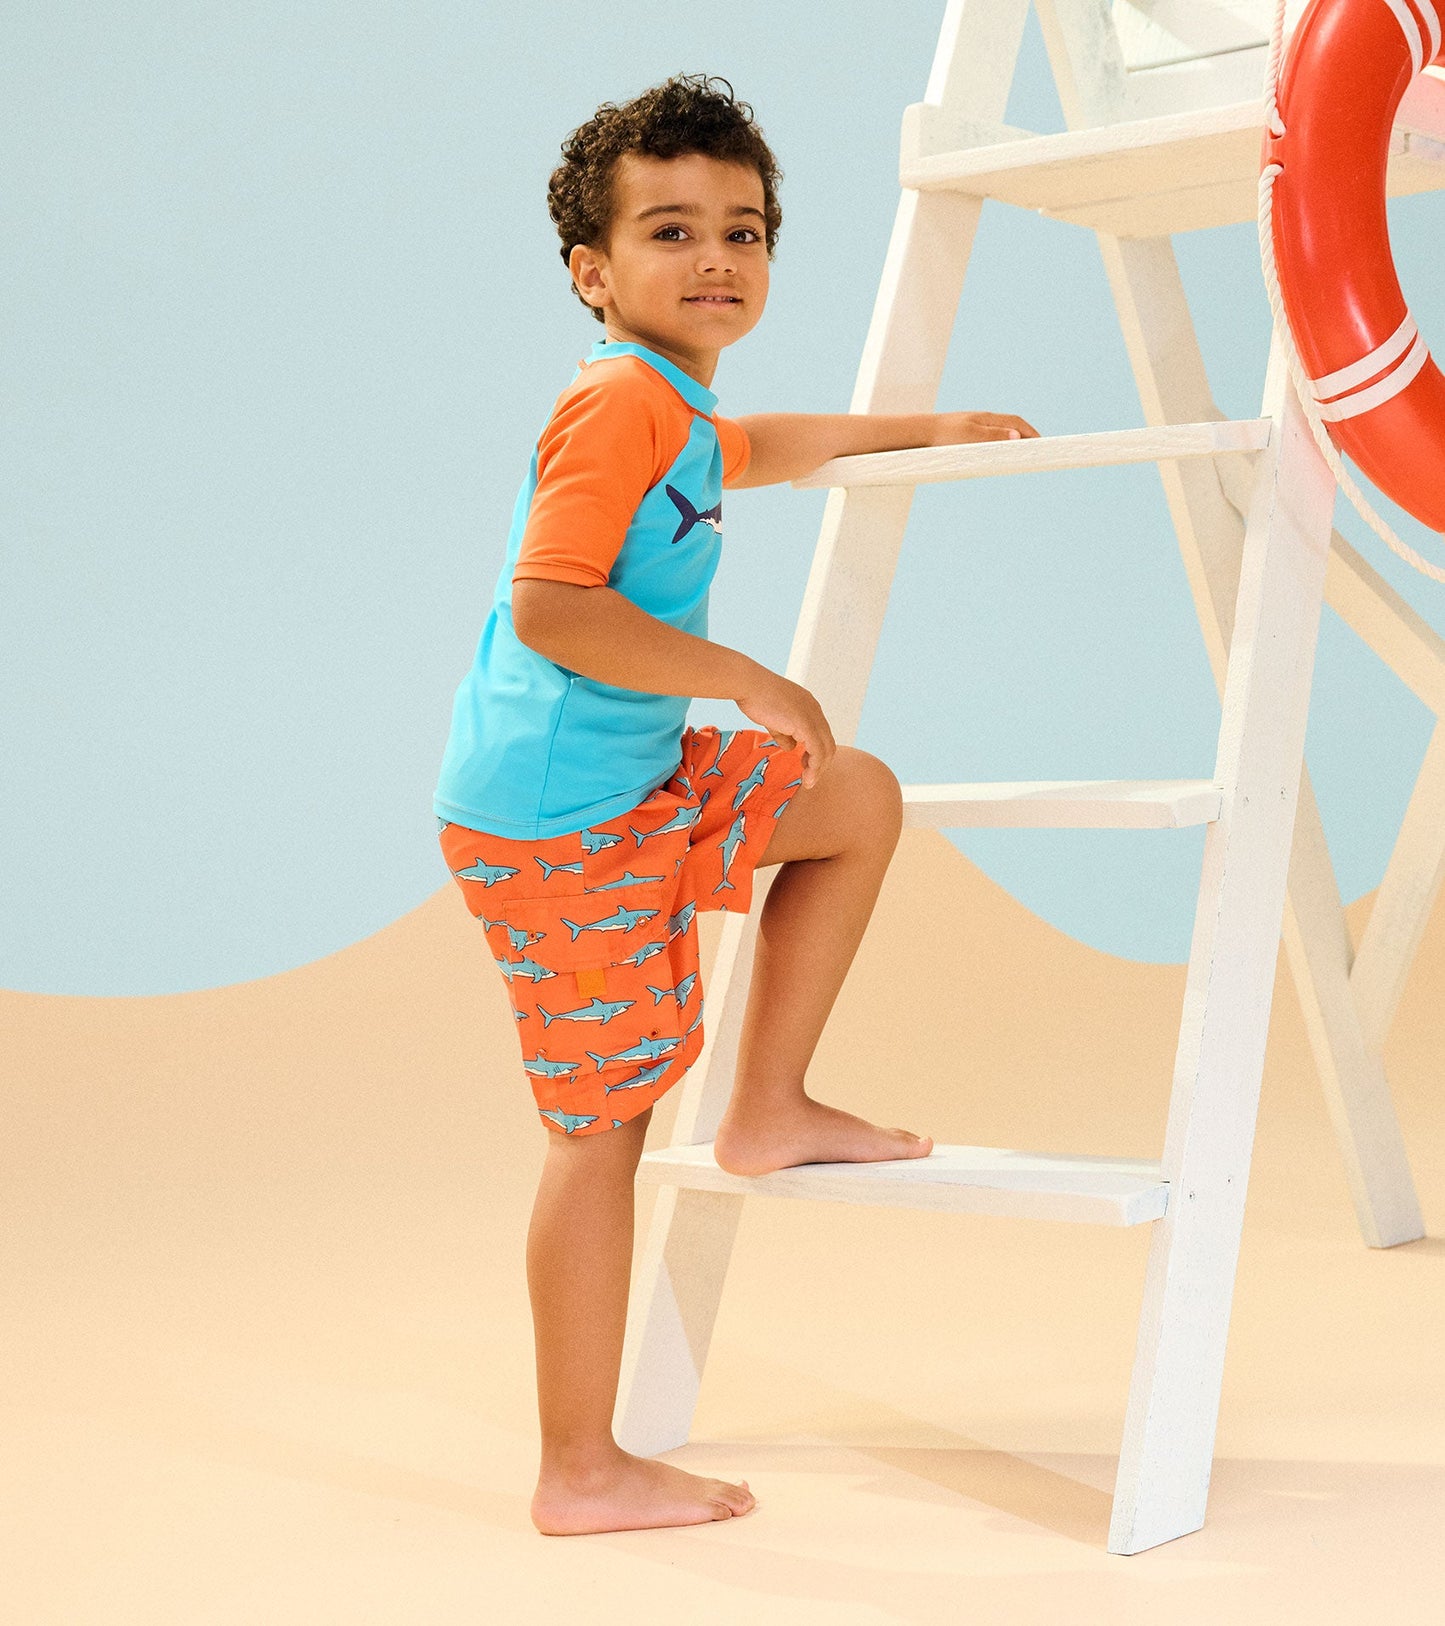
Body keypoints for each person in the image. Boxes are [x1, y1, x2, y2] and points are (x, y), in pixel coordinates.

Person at [433, 72, 1038, 1538]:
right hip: (550, 825)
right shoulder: (611, 408)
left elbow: (760, 448)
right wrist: (743, 676)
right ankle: (578, 1463)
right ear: (593, 272)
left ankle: (766, 1101)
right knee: (602, 1127)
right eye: (670, 230)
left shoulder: (677, 408)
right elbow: (554, 607)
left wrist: (929, 423)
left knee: (853, 798)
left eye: (745, 231)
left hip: (635, 786)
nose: (716, 257)